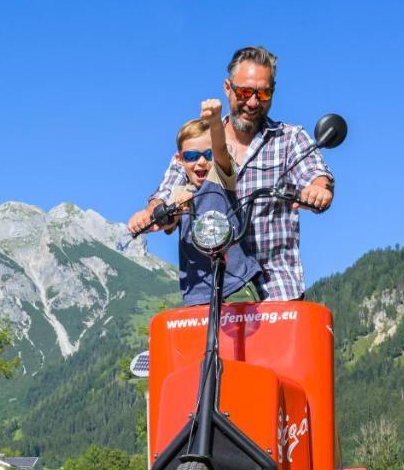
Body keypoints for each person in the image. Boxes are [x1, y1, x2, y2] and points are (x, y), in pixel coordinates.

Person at [128, 46, 334, 301]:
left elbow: (315, 173)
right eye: (245, 92)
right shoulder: (198, 145)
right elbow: (167, 192)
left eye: (264, 93)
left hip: (277, 290)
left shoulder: (290, 139)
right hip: (214, 289)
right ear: (228, 88)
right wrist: (153, 212)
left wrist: (318, 189)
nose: (253, 102)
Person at [168, 98, 263, 304]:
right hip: (197, 294)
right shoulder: (178, 192)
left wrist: (215, 123)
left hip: (235, 286)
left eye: (207, 154)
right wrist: (174, 209)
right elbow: (166, 224)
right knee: (202, 337)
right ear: (179, 159)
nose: (201, 161)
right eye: (192, 156)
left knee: (244, 336)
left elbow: (220, 149)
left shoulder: (221, 178)